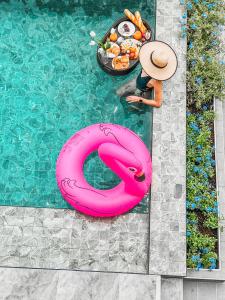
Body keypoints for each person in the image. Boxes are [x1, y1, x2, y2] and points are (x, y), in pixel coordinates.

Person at [116, 40, 178, 108]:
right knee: (118, 92)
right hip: (136, 81)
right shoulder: (149, 58)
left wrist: (139, 99)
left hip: (142, 92)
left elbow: (158, 103)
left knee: (131, 108)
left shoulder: (156, 81)